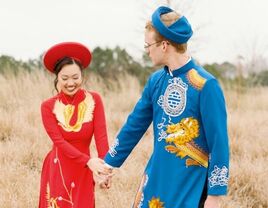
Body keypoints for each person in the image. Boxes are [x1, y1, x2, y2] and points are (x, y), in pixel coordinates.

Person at [102, 6, 230, 208]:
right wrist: (108, 164)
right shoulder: (156, 81)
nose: (147, 51)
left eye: (148, 45)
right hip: (158, 177)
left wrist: (214, 197)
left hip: (191, 182)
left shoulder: (205, 85)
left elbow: (219, 144)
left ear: (164, 45)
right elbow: (135, 124)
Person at [38, 42, 111, 208]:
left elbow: (101, 137)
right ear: (57, 78)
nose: (70, 83)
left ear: (82, 76)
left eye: (75, 77)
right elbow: (60, 142)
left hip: (84, 170)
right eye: (64, 78)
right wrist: (89, 162)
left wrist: (104, 170)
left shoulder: (94, 100)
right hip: (59, 169)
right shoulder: (48, 107)